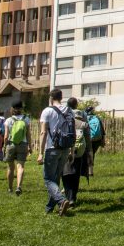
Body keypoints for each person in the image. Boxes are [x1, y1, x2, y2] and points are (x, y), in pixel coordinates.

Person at [37, 87, 73, 215]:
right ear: (61, 98)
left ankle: (61, 200)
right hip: (65, 148)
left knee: (48, 179)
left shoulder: (47, 111)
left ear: (51, 98)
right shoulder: (69, 110)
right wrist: (71, 151)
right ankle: (50, 208)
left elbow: (43, 132)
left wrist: (40, 153)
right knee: (55, 178)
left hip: (52, 148)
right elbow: (72, 132)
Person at [62, 99, 94, 206]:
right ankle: (73, 198)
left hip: (66, 151)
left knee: (66, 174)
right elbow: (88, 140)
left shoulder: (65, 123)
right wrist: (89, 152)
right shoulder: (84, 124)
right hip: (80, 152)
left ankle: (67, 195)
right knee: (76, 175)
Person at [3, 100, 31, 194]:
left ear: (12, 109)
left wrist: (4, 146)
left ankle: (10, 188)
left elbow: (6, 136)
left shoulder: (8, 120)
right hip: (23, 144)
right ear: (21, 108)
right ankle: (18, 186)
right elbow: (28, 134)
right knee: (20, 166)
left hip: (11, 144)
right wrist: (29, 146)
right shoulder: (26, 119)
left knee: (10, 167)